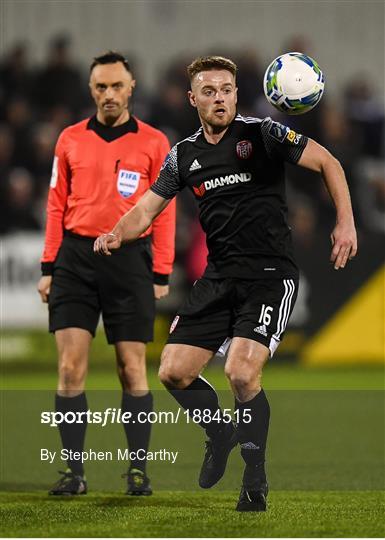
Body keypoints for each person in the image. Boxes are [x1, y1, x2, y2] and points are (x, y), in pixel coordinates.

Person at [94, 56, 357, 511]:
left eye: (227, 90)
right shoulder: (184, 155)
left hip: (269, 276)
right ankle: (219, 433)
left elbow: (329, 162)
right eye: (210, 91)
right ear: (192, 98)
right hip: (218, 278)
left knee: (240, 372)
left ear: (237, 94)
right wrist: (118, 231)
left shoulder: (264, 134)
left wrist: (345, 224)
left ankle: (255, 479)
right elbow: (147, 209)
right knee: (173, 371)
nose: (220, 98)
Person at [37, 51, 176, 496]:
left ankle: (138, 471)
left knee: (132, 369)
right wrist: (48, 267)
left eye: (117, 85)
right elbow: (56, 203)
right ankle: (74, 474)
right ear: (91, 89)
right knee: (69, 369)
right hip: (75, 260)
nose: (109, 94)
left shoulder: (155, 143)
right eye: (101, 87)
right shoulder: (70, 139)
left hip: (130, 259)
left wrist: (160, 269)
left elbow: (166, 210)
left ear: (132, 86)